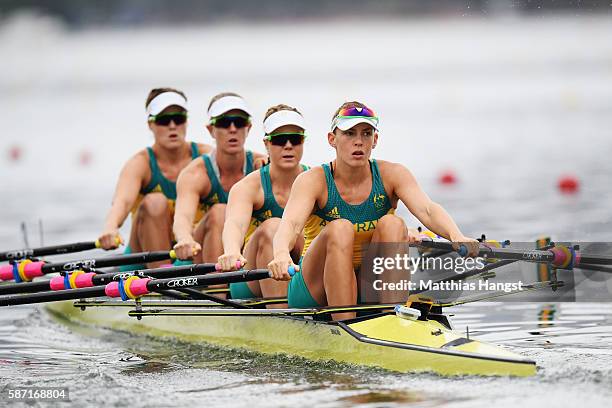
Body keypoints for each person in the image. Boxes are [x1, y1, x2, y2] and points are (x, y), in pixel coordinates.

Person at [268, 101, 479, 320]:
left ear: (375, 140)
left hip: (367, 283)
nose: (358, 141)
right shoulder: (312, 181)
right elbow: (290, 226)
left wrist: (457, 236)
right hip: (314, 289)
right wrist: (282, 254)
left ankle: (394, 320)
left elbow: (427, 209)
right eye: (349, 133)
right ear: (332, 139)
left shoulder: (393, 174)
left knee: (394, 224)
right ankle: (346, 324)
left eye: (366, 133)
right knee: (340, 228)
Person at [97, 88, 212, 269]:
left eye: (179, 118)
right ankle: (162, 281)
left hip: (190, 251)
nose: (172, 125)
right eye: (164, 120)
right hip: (141, 259)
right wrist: (110, 229)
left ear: (186, 121)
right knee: (156, 202)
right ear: (150, 124)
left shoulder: (206, 157)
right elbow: (121, 203)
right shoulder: (140, 164)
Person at [217, 104, 308, 306]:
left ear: (303, 142)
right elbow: (234, 224)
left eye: (295, 139)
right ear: (266, 144)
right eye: (279, 140)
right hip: (252, 278)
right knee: (272, 227)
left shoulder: (317, 180)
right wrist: (231, 250)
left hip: (300, 270)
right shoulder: (248, 187)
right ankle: (283, 319)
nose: (288, 146)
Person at [173, 92, 266, 264]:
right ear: (211, 129)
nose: (232, 129)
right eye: (224, 122)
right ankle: (217, 290)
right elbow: (182, 218)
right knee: (219, 211)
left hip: (244, 256)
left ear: (248, 128)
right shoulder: (195, 174)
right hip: (196, 258)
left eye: (239, 122)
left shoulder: (264, 165)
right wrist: (184, 238)